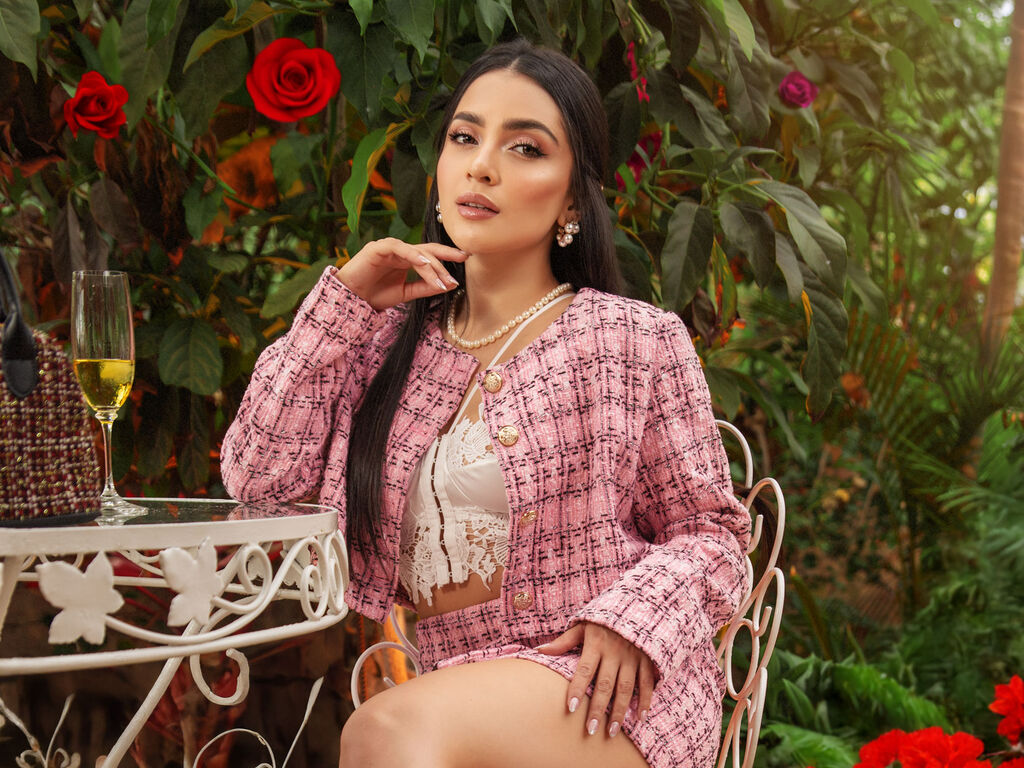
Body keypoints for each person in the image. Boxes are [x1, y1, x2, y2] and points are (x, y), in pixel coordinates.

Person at [220, 39, 751, 768]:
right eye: (465, 138)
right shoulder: (381, 346)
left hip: (610, 694)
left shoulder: (630, 339)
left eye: (525, 148)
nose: (482, 166)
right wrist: (340, 307)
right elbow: (259, 483)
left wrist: (632, 618)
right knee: (395, 729)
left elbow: (714, 534)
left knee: (382, 731)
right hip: (453, 700)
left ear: (572, 197)